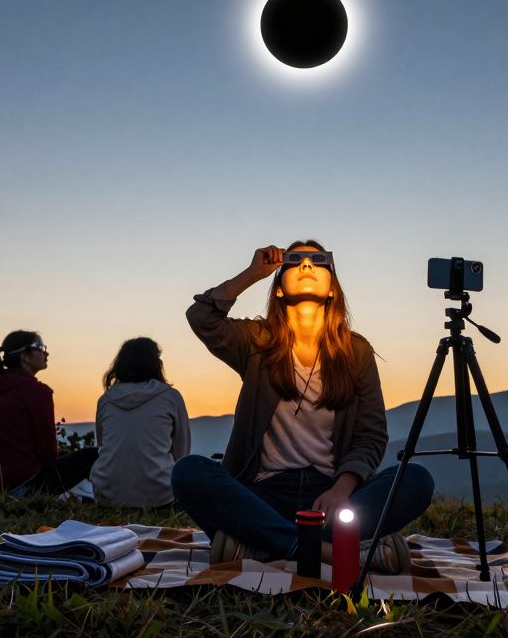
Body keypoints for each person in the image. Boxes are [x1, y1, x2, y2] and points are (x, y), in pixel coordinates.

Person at [171, 241, 435, 574]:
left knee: (416, 479)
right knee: (189, 471)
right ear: (279, 289)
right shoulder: (256, 342)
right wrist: (253, 274)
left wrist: (342, 489)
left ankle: (261, 543)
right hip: (262, 494)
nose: (307, 265)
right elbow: (202, 317)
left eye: (318, 261)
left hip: (330, 498)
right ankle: (331, 549)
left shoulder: (355, 352)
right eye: (294, 260)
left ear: (332, 291)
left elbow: (371, 435)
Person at [0, 330, 99, 496]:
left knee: (68, 457)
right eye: (40, 347)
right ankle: (102, 499)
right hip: (20, 486)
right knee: (93, 455)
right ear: (25, 356)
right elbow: (48, 452)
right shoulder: (36, 392)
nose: (46, 353)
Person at [89, 337, 191, 508]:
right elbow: (182, 453)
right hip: (160, 496)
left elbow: (102, 445)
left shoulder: (105, 400)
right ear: (155, 363)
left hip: (108, 496)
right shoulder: (171, 397)